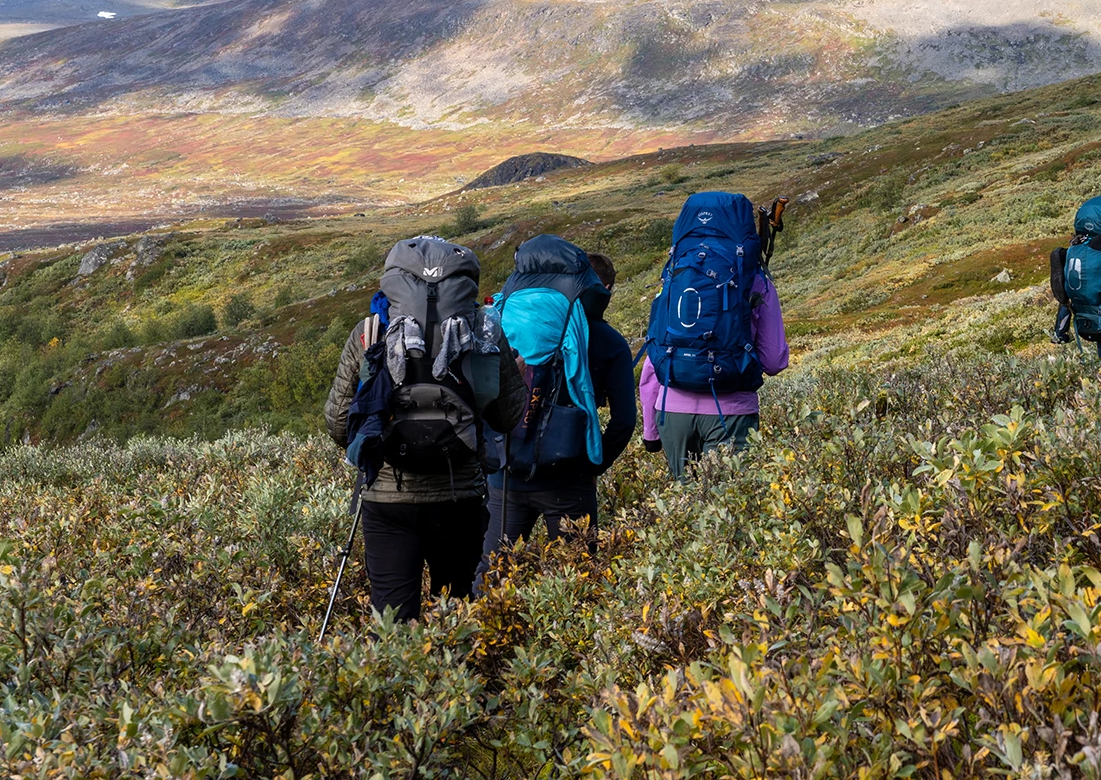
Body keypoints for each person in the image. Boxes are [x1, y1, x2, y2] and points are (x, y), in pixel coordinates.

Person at [325, 235, 526, 622]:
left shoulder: (370, 332)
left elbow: (338, 424)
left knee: (392, 620)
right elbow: (507, 418)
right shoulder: (485, 331)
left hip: (387, 499)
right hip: (459, 496)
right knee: (454, 617)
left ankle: (398, 682)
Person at [481, 251, 637, 560]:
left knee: (491, 580)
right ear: (600, 289)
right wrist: (594, 465)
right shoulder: (610, 341)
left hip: (506, 476)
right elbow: (624, 421)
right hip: (570, 481)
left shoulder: (507, 329)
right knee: (578, 579)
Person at [640, 193, 790, 479]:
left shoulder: (674, 277)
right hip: (731, 411)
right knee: (728, 512)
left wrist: (650, 428)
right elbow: (773, 361)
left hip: (672, 412)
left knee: (684, 509)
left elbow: (656, 353)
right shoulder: (757, 281)